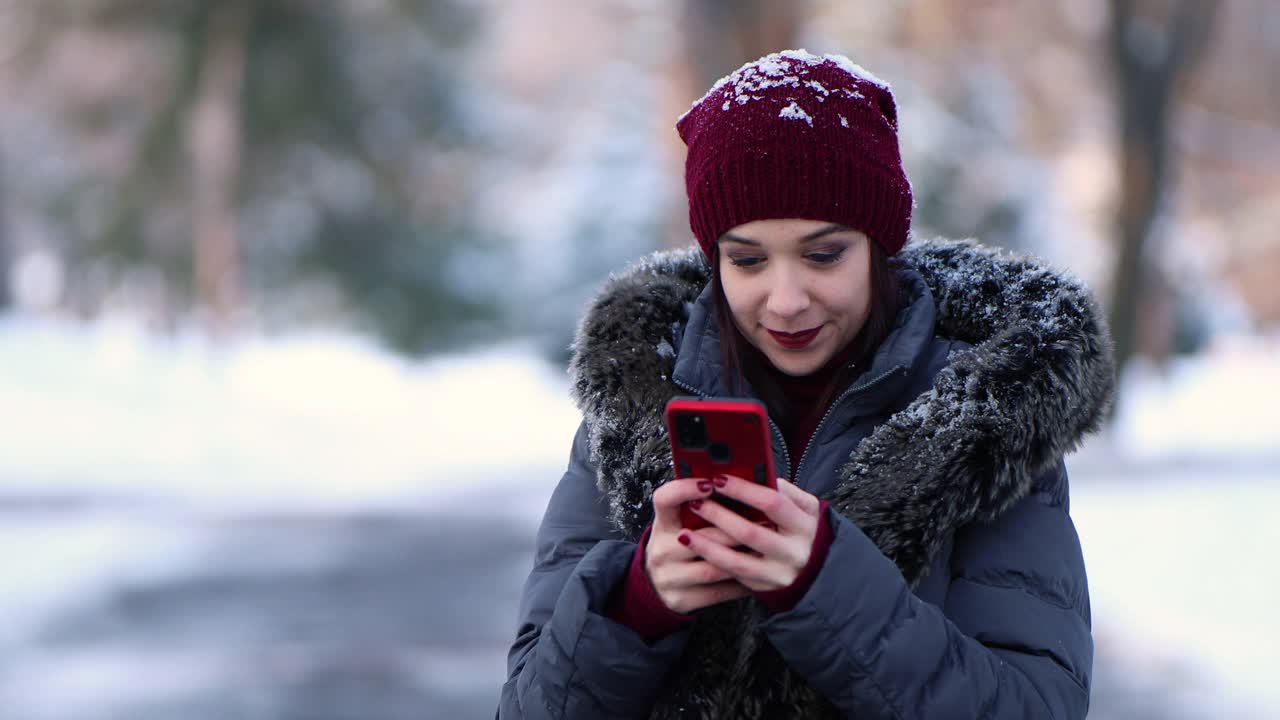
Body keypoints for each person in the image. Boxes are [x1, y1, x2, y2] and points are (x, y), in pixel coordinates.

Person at [498, 49, 1113, 719]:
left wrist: (825, 586)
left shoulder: (986, 420)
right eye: (747, 259)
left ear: (879, 246)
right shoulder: (634, 409)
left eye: (824, 255)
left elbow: (1034, 707)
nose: (785, 299)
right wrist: (636, 603)